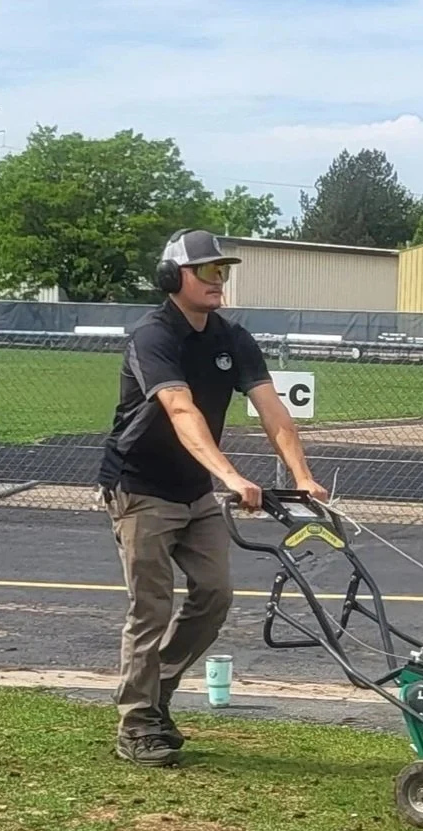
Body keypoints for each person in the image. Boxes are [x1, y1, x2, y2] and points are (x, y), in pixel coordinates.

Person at [97, 228, 328, 767]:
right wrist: (229, 475)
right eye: (207, 271)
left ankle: (157, 695)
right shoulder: (152, 338)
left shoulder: (232, 338)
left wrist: (303, 473)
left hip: (195, 490)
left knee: (215, 595)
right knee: (151, 608)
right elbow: (181, 410)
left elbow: (272, 410)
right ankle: (136, 725)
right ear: (173, 277)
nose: (218, 281)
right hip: (141, 487)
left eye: (223, 271)